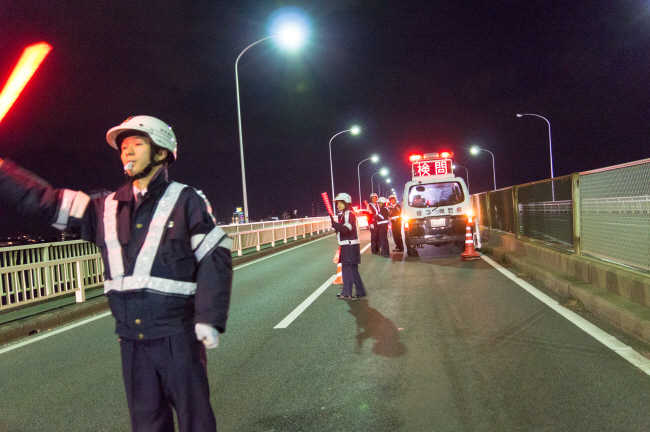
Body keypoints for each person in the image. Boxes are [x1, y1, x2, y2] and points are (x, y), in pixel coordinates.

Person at [0, 115, 233, 432]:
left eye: (138, 144)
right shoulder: (104, 207)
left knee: (196, 421)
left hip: (177, 335)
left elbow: (214, 256)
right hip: (132, 340)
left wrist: (209, 316)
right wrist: (3, 171)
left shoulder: (186, 199)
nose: (128, 152)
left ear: (162, 153)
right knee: (147, 424)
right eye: (124, 147)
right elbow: (44, 201)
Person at [329, 193, 366, 300]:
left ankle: (353, 292)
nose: (338, 205)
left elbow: (346, 229)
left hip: (349, 246)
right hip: (349, 245)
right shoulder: (346, 213)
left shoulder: (348, 214)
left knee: (349, 270)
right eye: (337, 203)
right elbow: (344, 229)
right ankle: (354, 292)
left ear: (346, 203)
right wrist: (336, 225)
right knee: (350, 269)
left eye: (340, 203)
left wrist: (335, 224)